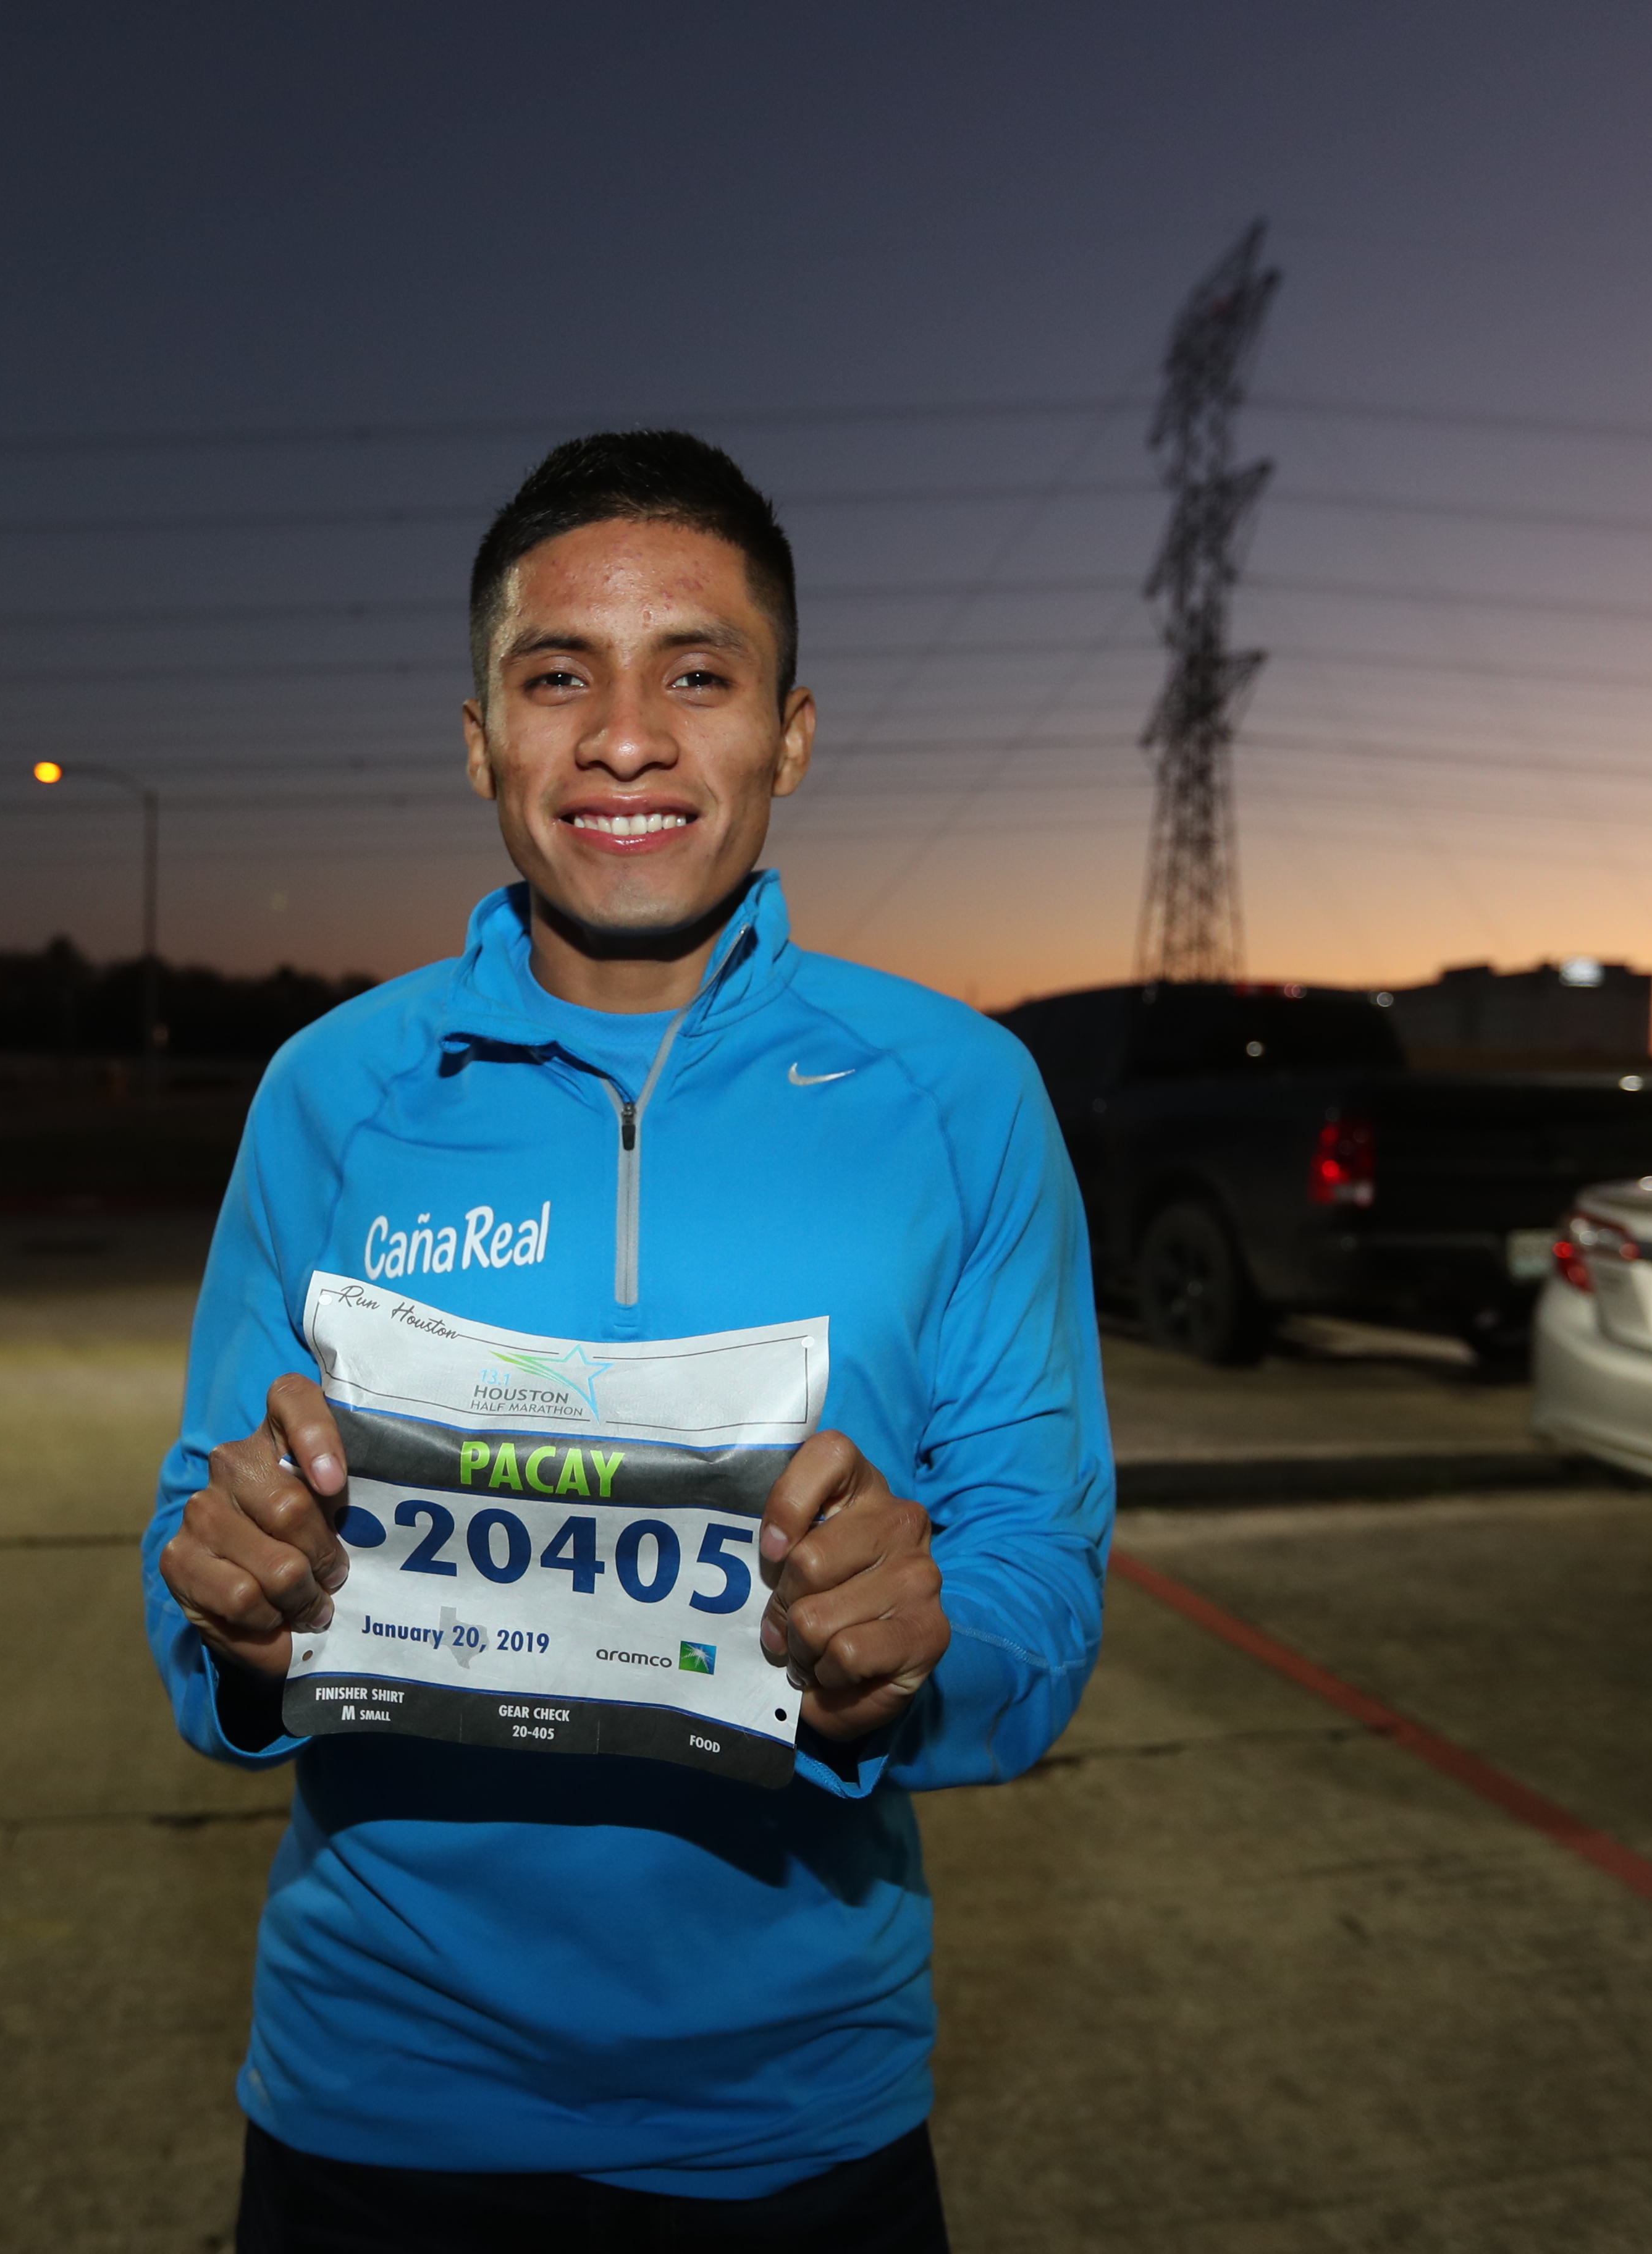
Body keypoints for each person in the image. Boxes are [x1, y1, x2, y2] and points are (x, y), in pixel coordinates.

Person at [145, 429, 1111, 2252]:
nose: (626, 737)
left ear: (790, 735)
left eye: (698, 671)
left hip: (799, 2119)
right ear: (481, 739)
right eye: (556, 674)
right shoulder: (332, 1093)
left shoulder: (961, 1098)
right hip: (375, 2100)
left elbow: (1040, 1595)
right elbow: (187, 1569)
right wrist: (239, 1609)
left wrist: (917, 1654)